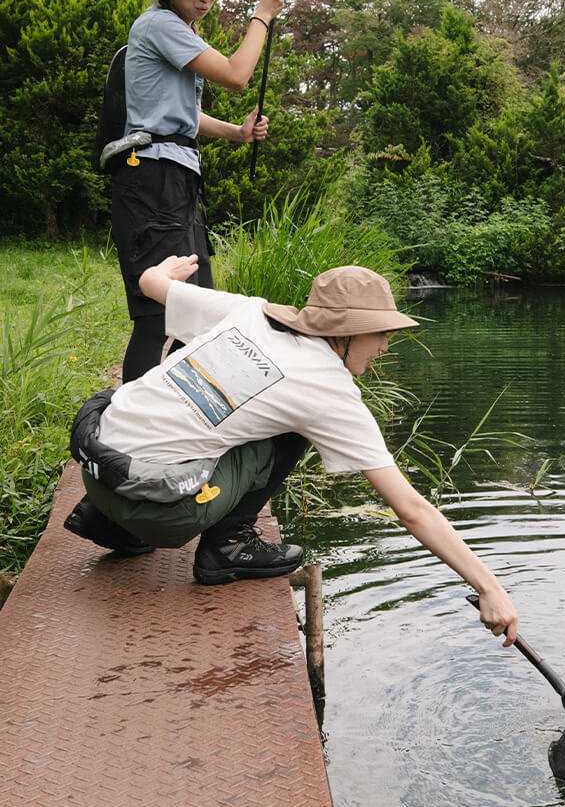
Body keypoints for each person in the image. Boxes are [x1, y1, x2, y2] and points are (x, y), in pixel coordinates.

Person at [64, 260, 518, 644]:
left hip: (98, 473)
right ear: (349, 331)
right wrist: (489, 586)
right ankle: (227, 548)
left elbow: (150, 283)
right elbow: (412, 509)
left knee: (223, 416)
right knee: (288, 434)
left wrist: (169, 270)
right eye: (381, 334)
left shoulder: (252, 313)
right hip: (161, 513)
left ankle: (108, 521)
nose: (384, 347)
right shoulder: (327, 391)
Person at [112, 0, 286, 382]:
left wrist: (237, 132)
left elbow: (179, 117)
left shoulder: (182, 33)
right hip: (152, 179)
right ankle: (127, 430)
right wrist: (262, 15)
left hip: (175, 177)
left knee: (194, 308)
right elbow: (236, 75)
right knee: (161, 311)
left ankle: (177, 424)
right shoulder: (160, 26)